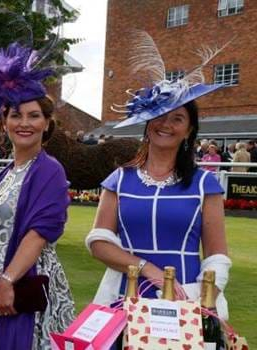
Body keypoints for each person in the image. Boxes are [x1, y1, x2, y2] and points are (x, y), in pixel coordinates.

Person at [87, 35, 231, 320]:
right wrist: (146, 269)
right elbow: (99, 242)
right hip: (123, 297)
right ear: (147, 122)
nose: (166, 124)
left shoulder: (205, 185)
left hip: (184, 300)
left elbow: (216, 256)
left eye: (177, 118)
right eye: (160, 116)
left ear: (189, 130)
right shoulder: (119, 179)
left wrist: (204, 300)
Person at [0, 43, 76, 349]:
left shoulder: (49, 171)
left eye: (34, 115)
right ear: (4, 121)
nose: (24, 123)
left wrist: (8, 281)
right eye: (16, 115)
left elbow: (37, 236)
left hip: (24, 287)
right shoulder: (6, 173)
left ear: (47, 123)